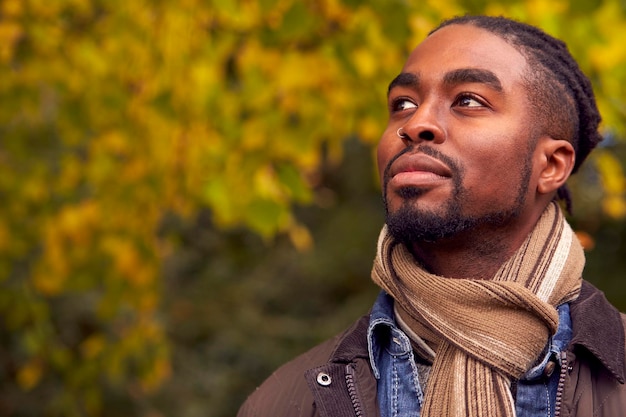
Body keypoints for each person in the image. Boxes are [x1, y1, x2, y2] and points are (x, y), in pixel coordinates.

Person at [238, 15, 626, 417]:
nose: (416, 123)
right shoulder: (283, 403)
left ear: (550, 166)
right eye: (402, 104)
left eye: (468, 101)